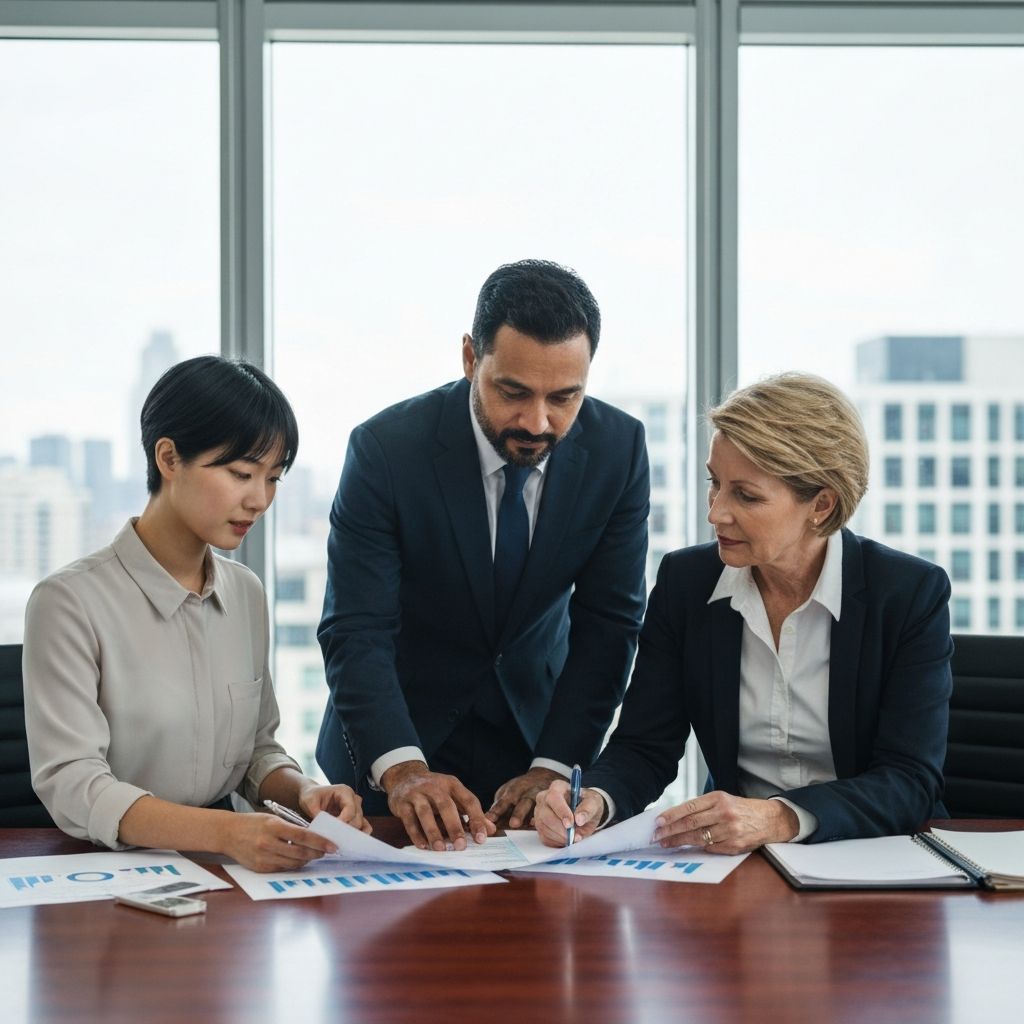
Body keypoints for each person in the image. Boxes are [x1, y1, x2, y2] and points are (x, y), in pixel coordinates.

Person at [535, 372, 953, 853]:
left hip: (875, 860)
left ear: (821, 504)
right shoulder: (686, 584)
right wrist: (595, 802)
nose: (716, 513)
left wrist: (777, 817)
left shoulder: (907, 594)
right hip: (738, 865)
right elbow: (645, 747)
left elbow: (910, 781)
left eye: (746, 495)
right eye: (715, 484)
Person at [316, 259, 649, 852]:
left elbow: (610, 626)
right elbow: (356, 628)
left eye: (564, 397)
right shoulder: (386, 451)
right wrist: (402, 770)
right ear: (472, 358)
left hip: (534, 746)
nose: (538, 422)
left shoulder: (619, 450)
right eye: (513, 392)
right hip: (392, 750)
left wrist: (554, 764)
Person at [24, 356, 369, 873]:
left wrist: (303, 794)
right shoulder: (69, 602)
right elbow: (75, 786)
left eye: (273, 478)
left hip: (230, 874)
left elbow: (256, 750)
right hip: (108, 878)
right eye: (240, 473)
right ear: (168, 457)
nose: (260, 499)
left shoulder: (246, 594)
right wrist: (227, 832)